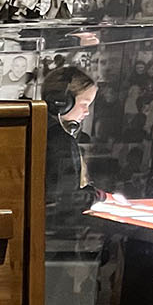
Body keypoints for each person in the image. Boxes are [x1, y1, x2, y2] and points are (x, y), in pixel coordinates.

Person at [41, 65, 101, 231]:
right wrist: (96, 196)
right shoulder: (61, 141)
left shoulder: (35, 130)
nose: (87, 112)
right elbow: (64, 200)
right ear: (63, 103)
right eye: (84, 103)